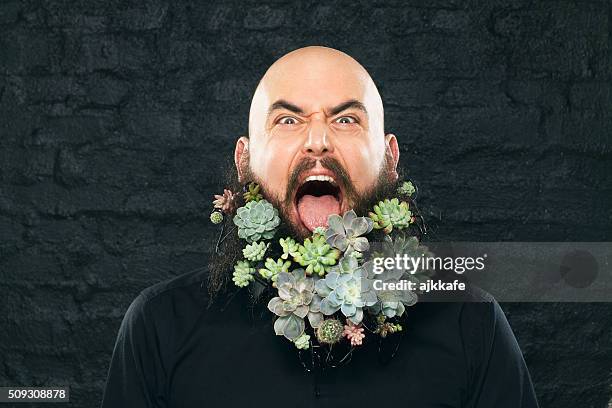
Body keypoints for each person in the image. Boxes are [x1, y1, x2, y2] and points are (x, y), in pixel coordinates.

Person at [101, 46, 539, 408]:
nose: (317, 140)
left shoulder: (469, 323)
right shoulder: (160, 326)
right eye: (288, 120)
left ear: (389, 159)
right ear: (244, 161)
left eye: (346, 119)